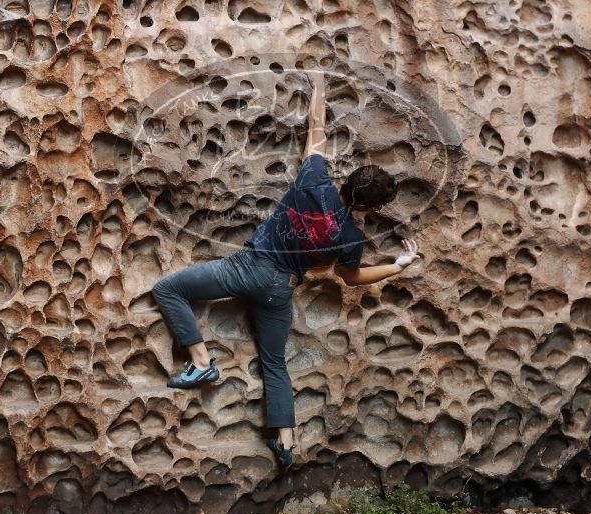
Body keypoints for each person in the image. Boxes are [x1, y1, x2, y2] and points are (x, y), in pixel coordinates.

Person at [151, 70, 420, 467]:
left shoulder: (315, 180)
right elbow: (350, 279)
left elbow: (316, 128)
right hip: (281, 289)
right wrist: (396, 266)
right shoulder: (351, 238)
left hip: (247, 267)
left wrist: (320, 88)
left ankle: (203, 363)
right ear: (372, 208)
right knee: (275, 363)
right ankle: (286, 442)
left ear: (347, 180)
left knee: (168, 290)